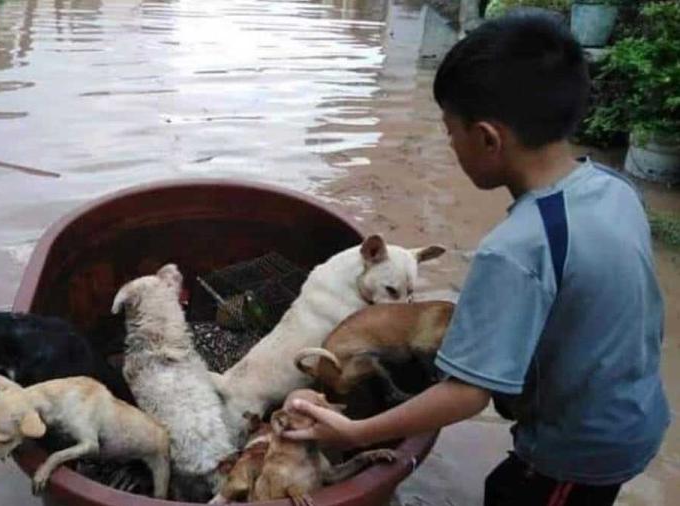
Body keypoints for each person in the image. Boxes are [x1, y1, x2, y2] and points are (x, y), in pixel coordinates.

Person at [283, 13, 670, 506]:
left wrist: (355, 433)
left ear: (487, 138)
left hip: (577, 451)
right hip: (637, 413)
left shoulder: (514, 249)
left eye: (450, 132)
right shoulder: (615, 189)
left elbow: (467, 395)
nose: (450, 145)